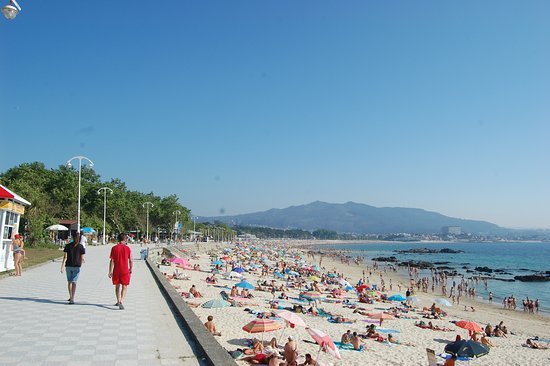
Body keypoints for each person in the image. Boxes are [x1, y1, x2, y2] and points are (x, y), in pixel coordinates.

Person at [108, 233, 133, 310]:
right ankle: (121, 301)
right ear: (125, 239)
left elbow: (112, 260)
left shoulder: (114, 248)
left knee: (117, 286)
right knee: (124, 286)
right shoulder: (128, 249)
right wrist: (131, 268)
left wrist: (110, 271)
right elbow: (131, 260)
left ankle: (118, 300)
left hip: (116, 270)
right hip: (125, 270)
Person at [61, 233, 85, 304]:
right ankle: (72, 298)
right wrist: (80, 264)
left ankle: (70, 296)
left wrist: (62, 267)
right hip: (76, 266)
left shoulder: (68, 246)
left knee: (69, 281)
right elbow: (82, 258)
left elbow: (65, 257)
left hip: (68, 265)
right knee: (74, 282)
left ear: (72, 237)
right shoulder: (81, 247)